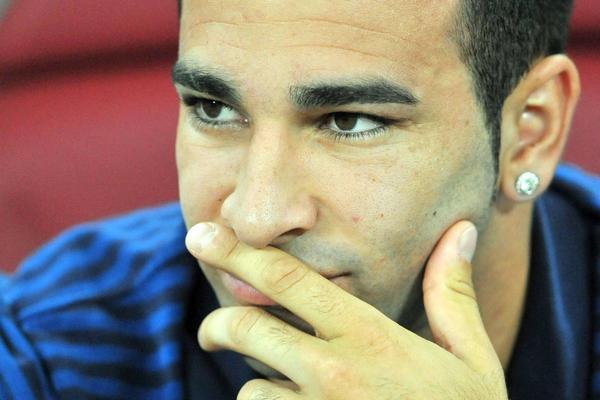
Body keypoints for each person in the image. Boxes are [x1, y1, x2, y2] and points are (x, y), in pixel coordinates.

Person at [1, 0, 599, 398]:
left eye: (349, 121)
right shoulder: (50, 346)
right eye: (213, 108)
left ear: (530, 132)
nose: (253, 219)